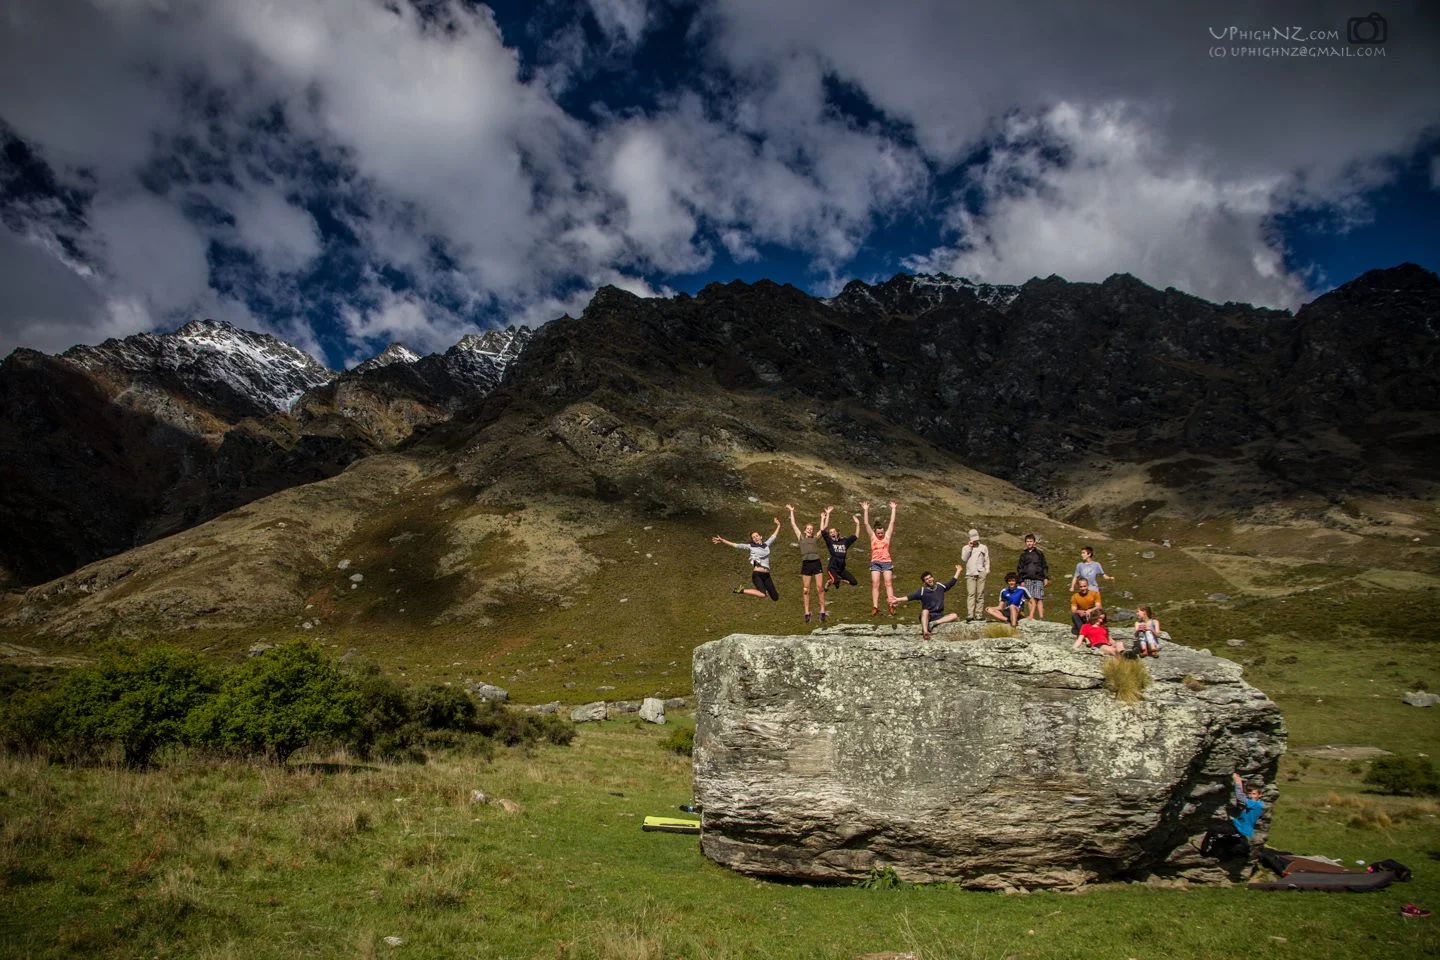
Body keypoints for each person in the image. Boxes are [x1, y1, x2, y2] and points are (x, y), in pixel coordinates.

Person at [712, 518, 782, 601]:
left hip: (767, 575)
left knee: (775, 597)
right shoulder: (750, 546)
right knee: (763, 595)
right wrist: (723, 541)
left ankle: (757, 590)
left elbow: (773, 536)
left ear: (760, 536)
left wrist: (778, 525)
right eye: (753, 537)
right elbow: (736, 545)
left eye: (756, 536)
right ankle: (741, 590)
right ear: (752, 540)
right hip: (757, 574)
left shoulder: (766, 545)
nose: (755, 538)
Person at [1201, 773, 1266, 859]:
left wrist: (1237, 782)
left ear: (1260, 795)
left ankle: (1204, 852)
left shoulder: (1256, 804)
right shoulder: (1256, 804)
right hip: (1241, 828)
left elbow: (1240, 798)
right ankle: (1224, 853)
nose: (1251, 796)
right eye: (1250, 794)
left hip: (1239, 828)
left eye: (1254, 794)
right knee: (1224, 838)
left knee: (1213, 830)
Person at [894, 567, 962, 640]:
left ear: (933, 578)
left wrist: (958, 571)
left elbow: (951, 583)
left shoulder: (940, 586)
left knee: (954, 615)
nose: (929, 580)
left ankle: (935, 623)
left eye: (930, 577)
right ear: (924, 582)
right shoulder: (922, 591)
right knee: (925, 611)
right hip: (928, 616)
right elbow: (909, 597)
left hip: (939, 615)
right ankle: (925, 632)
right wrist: (898, 599)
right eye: (927, 579)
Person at [787, 504, 828, 624]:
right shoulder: (801, 538)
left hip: (816, 563)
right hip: (806, 564)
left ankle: (822, 611)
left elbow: (823, 529)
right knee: (806, 589)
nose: (810, 530)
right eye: (808, 529)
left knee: (820, 587)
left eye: (811, 529)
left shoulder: (815, 538)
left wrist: (823, 517)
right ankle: (807, 612)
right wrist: (791, 511)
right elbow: (793, 525)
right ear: (805, 531)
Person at [861, 500, 899, 616]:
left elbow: (892, 522)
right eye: (879, 533)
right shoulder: (873, 537)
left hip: (887, 562)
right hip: (875, 563)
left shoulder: (887, 537)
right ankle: (875, 606)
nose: (881, 534)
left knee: (888, 583)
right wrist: (866, 510)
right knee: (875, 583)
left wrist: (893, 509)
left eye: (882, 532)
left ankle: (891, 604)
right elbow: (866, 524)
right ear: (875, 532)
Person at [819, 506, 860, 592]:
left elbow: (856, 536)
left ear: (837, 533)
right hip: (832, 567)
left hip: (841, 568)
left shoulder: (844, 541)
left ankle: (836, 580)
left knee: (854, 582)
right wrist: (825, 517)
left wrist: (857, 524)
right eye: (830, 532)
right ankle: (832, 581)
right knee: (835, 580)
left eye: (834, 531)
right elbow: (822, 530)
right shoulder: (830, 541)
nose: (832, 533)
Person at [1016, 533, 1050, 620]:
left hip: (1039, 578)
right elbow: (1020, 568)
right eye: (1027, 541)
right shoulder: (1023, 555)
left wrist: (1046, 577)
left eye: (1031, 541)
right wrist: (1021, 580)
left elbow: (1044, 566)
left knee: (1039, 598)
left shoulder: (1039, 554)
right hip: (1027, 579)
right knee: (1030, 599)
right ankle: (1032, 616)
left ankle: (1042, 617)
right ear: (1025, 543)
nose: (1029, 543)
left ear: (1034, 542)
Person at [960, 528, 990, 621]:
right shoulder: (965, 548)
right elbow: (964, 559)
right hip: (970, 573)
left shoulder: (983, 547)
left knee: (980, 594)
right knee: (971, 594)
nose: (975, 540)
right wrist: (970, 548)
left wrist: (986, 570)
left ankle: (978, 614)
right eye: (973, 539)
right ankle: (970, 614)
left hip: (981, 572)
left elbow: (987, 559)